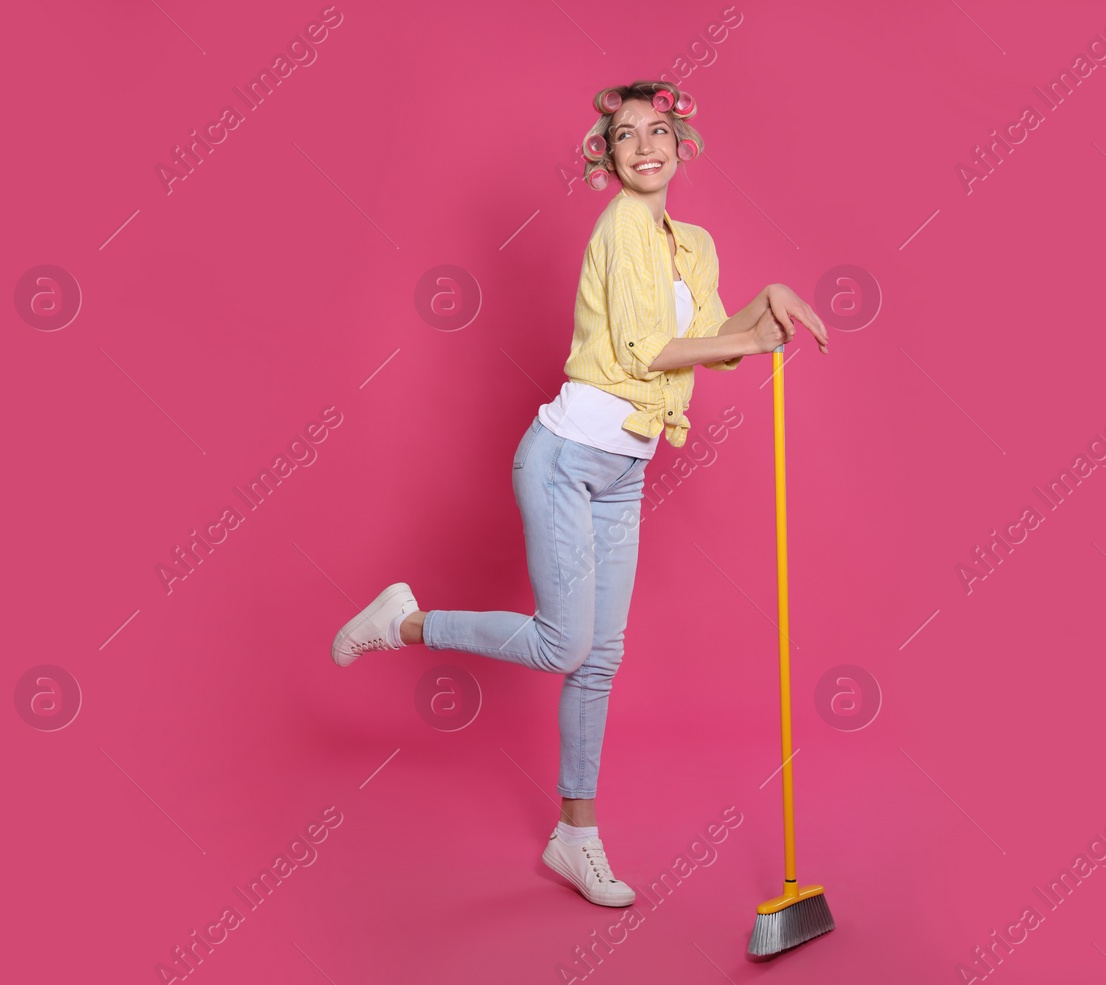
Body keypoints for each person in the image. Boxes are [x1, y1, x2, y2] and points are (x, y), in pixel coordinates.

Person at [329, 80, 830, 907]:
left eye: (659, 130)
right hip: (562, 459)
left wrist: (763, 301)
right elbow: (645, 351)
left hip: (624, 469)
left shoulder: (693, 244)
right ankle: (404, 622)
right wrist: (745, 333)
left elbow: (715, 348)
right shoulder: (619, 229)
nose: (645, 145)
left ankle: (574, 837)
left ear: (682, 145)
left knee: (600, 657)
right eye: (625, 134)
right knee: (567, 645)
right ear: (606, 157)